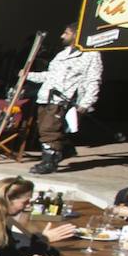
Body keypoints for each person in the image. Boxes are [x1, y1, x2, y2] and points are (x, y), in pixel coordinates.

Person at [29, 23, 103, 174]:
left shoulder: (91, 55)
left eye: (66, 33)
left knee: (49, 129)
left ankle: (49, 162)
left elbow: (93, 80)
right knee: (45, 128)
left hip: (63, 99)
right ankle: (66, 148)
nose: (62, 36)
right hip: (45, 96)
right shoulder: (62, 54)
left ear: (77, 35)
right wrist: (28, 75)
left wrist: (86, 102)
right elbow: (50, 76)